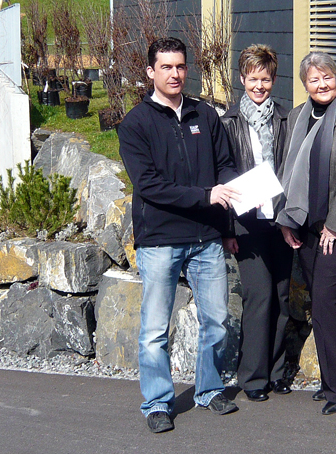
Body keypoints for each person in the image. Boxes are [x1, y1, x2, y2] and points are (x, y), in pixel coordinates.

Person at [117, 37, 241, 434]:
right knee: (155, 329)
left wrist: (225, 227)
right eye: (166, 67)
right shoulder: (135, 123)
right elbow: (149, 185)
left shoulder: (205, 115)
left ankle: (208, 389)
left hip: (206, 237)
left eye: (180, 66)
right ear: (151, 71)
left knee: (217, 320)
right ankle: (156, 402)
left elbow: (225, 166)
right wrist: (205, 195)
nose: (175, 73)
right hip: (160, 240)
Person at [277, 51, 336, 415]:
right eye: (314, 80)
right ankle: (331, 380)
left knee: (328, 300)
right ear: (305, 85)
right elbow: (290, 169)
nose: (322, 84)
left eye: (328, 77)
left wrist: (335, 224)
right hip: (307, 226)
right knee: (320, 303)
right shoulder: (298, 115)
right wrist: (288, 220)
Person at [220, 44, 294, 402]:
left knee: (281, 295)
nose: (259, 86)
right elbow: (222, 174)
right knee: (259, 296)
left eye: (265, 79)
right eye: (253, 79)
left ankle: (277, 372)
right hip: (247, 224)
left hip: (281, 221)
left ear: (274, 79)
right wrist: (227, 230)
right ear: (242, 79)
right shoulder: (228, 123)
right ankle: (252, 377)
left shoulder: (286, 119)